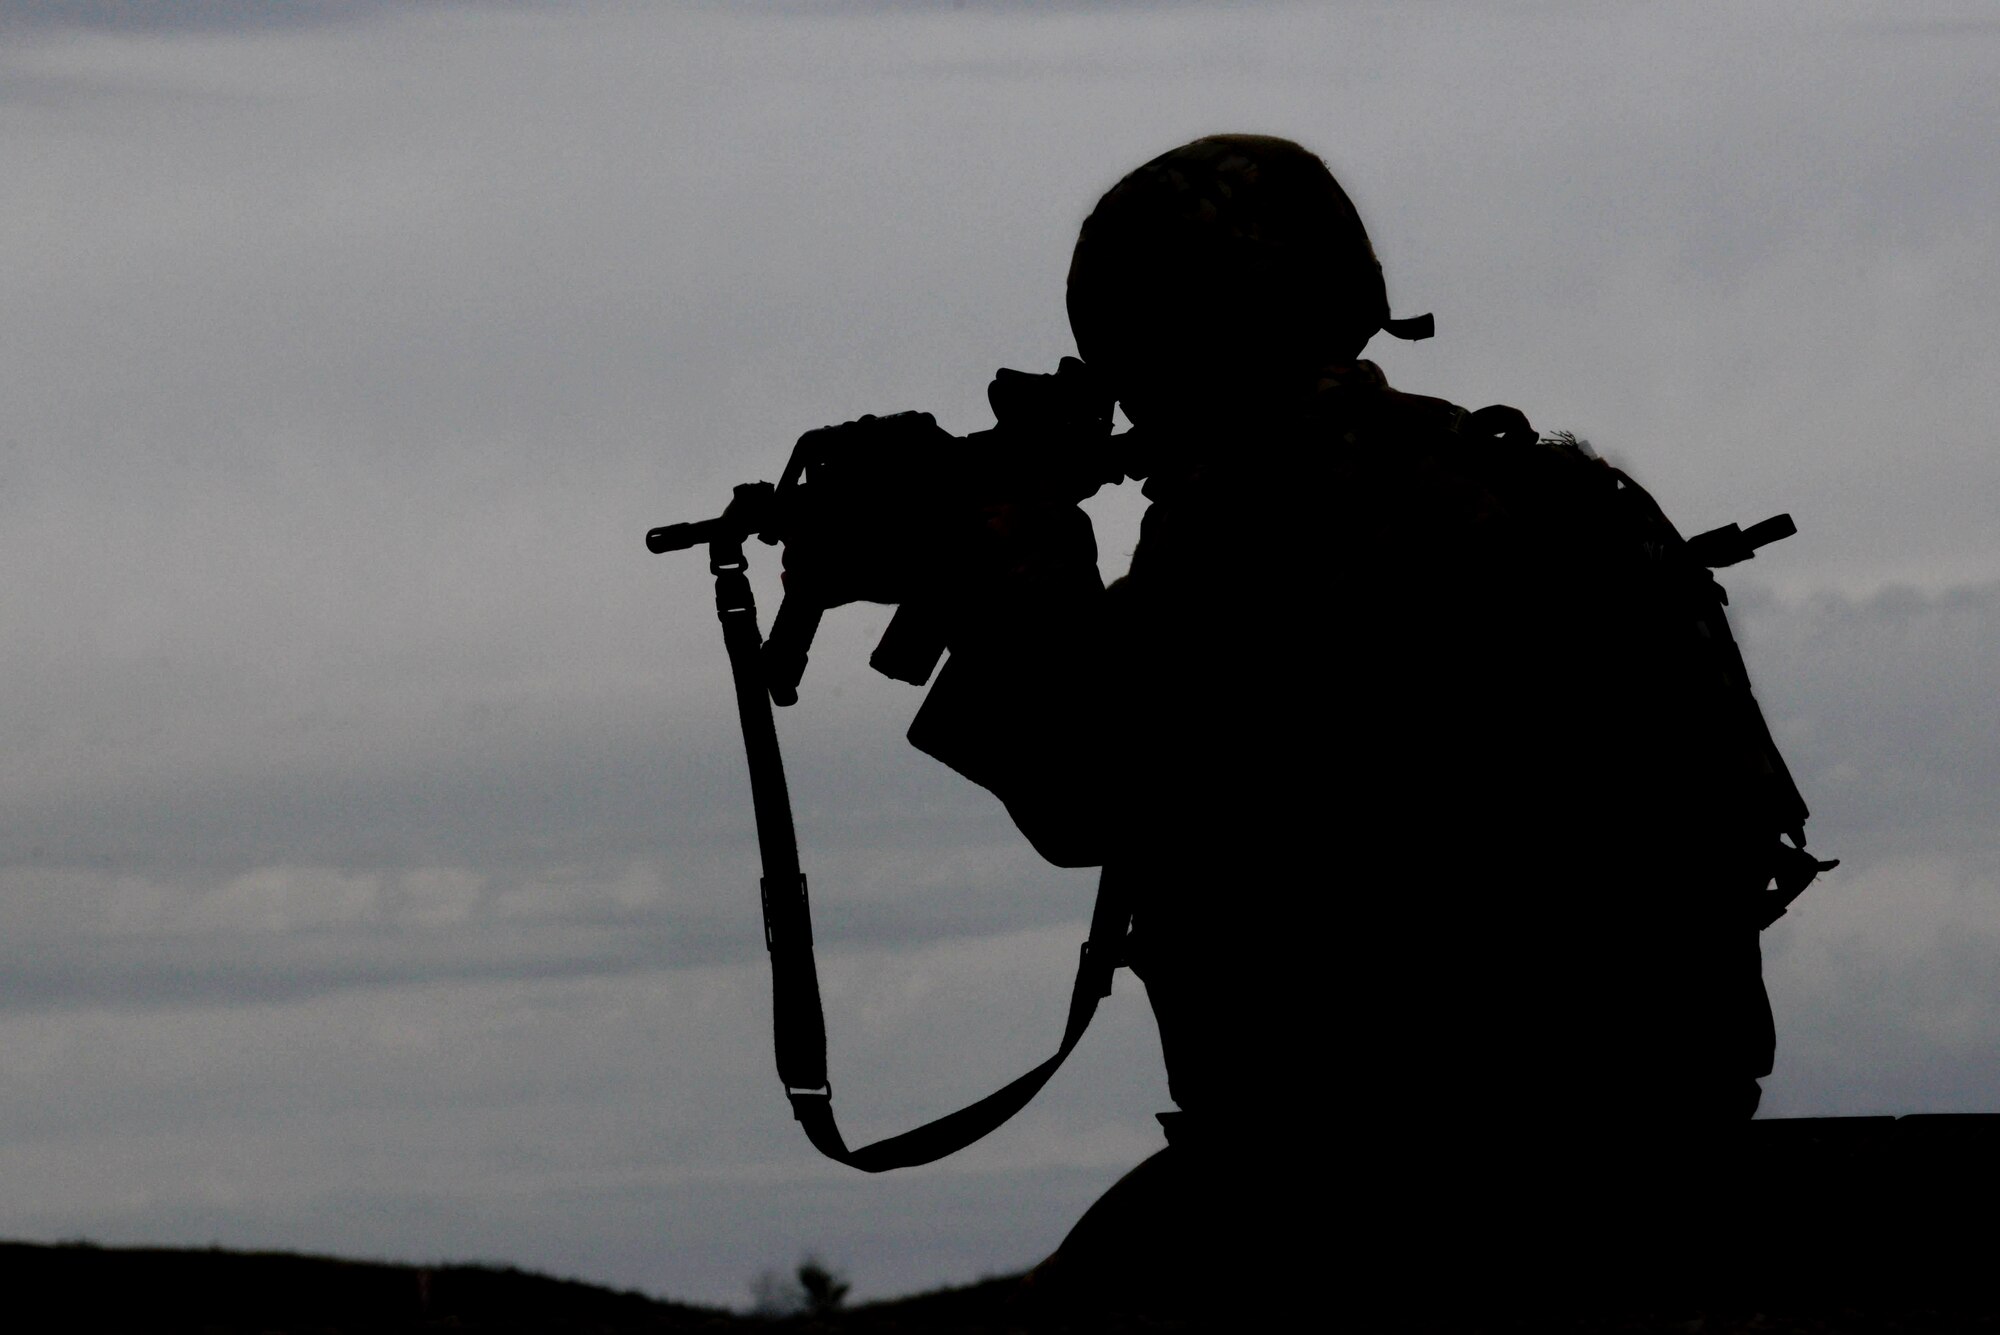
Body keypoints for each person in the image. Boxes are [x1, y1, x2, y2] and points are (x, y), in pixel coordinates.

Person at [800, 134, 1785, 1316]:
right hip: (1646, 1125)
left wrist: (1013, 564)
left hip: (1405, 1176)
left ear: (1168, 334)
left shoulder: (1272, 503)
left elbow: (1093, 786)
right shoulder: (1527, 484)